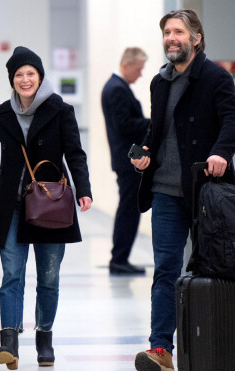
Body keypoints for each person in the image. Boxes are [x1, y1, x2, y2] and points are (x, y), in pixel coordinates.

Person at [0, 46, 92, 371]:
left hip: (50, 207)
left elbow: (75, 153)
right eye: (19, 75)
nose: (25, 79)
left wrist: (83, 190)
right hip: (12, 207)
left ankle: (44, 336)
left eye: (31, 73)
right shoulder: (4, 112)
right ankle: (9, 341)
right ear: (12, 80)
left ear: (40, 77)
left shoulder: (60, 110)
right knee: (11, 275)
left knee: (48, 277)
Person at [130, 9, 235, 371]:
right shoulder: (159, 82)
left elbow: (234, 119)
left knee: (214, 266)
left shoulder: (215, 77)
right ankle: (161, 348)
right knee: (166, 269)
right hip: (165, 192)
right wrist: (144, 154)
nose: (171, 39)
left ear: (196, 38)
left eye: (178, 32)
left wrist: (220, 152)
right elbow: (157, 131)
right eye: (167, 33)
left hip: (207, 191)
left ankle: (220, 346)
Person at [101, 47, 150, 275]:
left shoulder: (116, 87)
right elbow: (126, 126)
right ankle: (119, 259)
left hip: (126, 157)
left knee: (128, 209)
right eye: (139, 69)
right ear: (127, 65)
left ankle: (120, 258)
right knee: (128, 211)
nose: (140, 74)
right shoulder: (117, 89)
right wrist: (153, 122)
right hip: (128, 159)